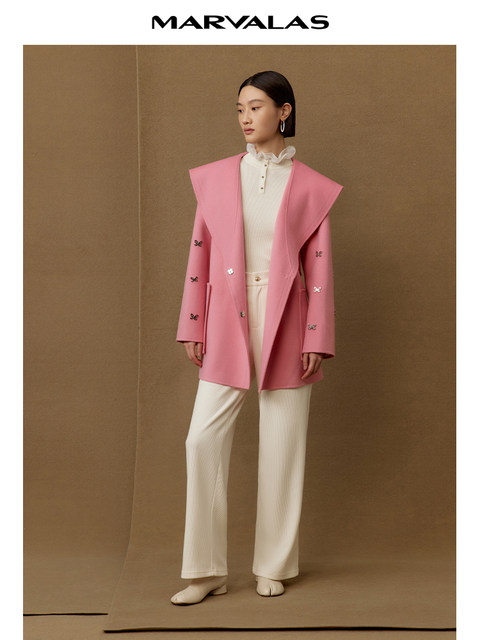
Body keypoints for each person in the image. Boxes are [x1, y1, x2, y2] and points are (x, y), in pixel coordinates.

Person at [171, 70, 343, 605]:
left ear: (284, 112)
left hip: (288, 316)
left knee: (283, 442)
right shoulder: (216, 179)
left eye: (257, 107)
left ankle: (274, 564)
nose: (246, 118)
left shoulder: (310, 185)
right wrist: (193, 322)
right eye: (240, 109)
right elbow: (199, 253)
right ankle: (206, 570)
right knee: (201, 439)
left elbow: (319, 269)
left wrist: (316, 336)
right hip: (226, 311)